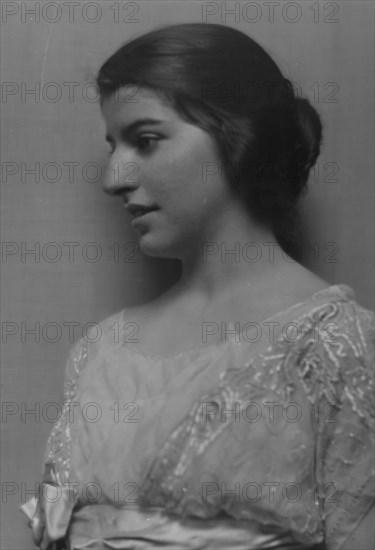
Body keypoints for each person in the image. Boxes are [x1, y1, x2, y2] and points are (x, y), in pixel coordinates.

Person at [21, 23, 374, 550]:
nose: (113, 177)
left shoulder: (340, 346)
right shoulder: (100, 352)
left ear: (238, 135)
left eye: (145, 140)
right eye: (113, 145)